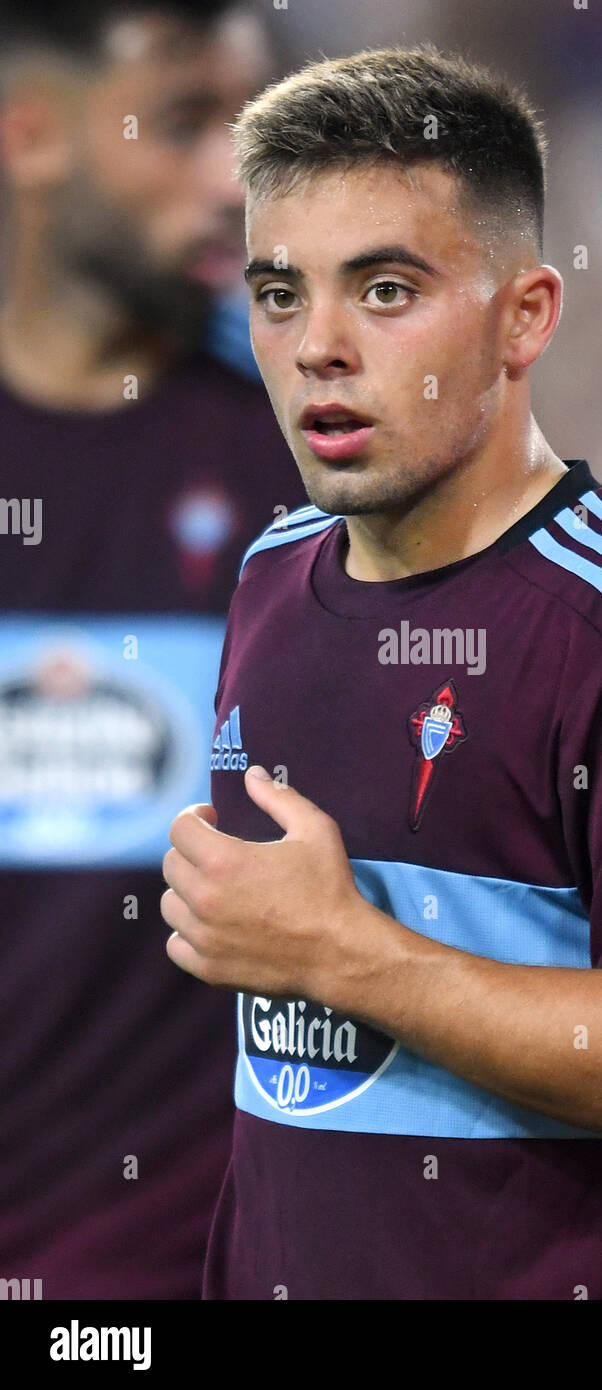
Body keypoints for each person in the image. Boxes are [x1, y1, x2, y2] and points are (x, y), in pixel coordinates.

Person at [161, 44, 602, 1300]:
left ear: (525, 316)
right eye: (279, 292)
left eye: (386, 289)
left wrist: (347, 955)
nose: (318, 347)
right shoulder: (270, 576)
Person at [0, 0, 304, 1299]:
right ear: (30, 135)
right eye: (185, 123)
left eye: (254, 128)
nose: (231, 181)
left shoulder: (311, 445)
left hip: (195, 1245)